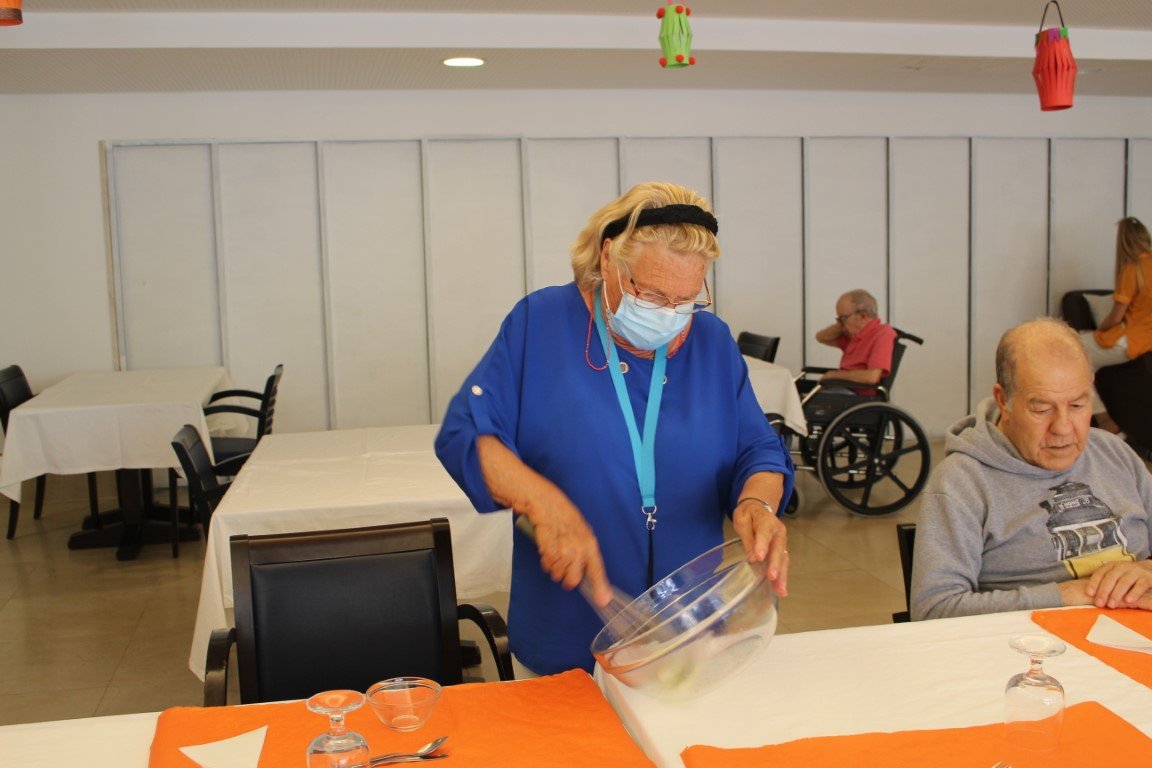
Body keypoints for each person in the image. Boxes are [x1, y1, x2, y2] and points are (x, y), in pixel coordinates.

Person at [435, 181, 794, 675]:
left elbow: (758, 448)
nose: (669, 315)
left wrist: (757, 503)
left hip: (689, 633)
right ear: (608, 259)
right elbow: (467, 434)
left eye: (687, 300)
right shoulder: (540, 323)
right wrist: (542, 502)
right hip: (567, 634)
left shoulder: (711, 342)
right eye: (651, 293)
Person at [911, 317, 1152, 621]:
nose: (1063, 428)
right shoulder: (962, 482)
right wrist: (1069, 595)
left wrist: (1146, 570)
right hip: (1029, 643)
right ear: (1003, 401)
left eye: (1077, 406)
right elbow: (934, 609)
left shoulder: (1114, 453)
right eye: (1042, 409)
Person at [1078, 216, 1152, 432]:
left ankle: (1103, 419)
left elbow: (1116, 317)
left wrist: (1100, 330)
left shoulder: (1133, 270)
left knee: (1074, 355)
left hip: (1130, 341)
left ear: (1124, 242)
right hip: (1146, 341)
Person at [809, 289, 896, 389]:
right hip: (843, 388)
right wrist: (840, 325)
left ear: (862, 316)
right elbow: (821, 338)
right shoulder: (855, 335)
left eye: (842, 318)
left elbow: (872, 377)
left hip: (857, 393)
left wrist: (834, 375)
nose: (841, 323)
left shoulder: (883, 334)